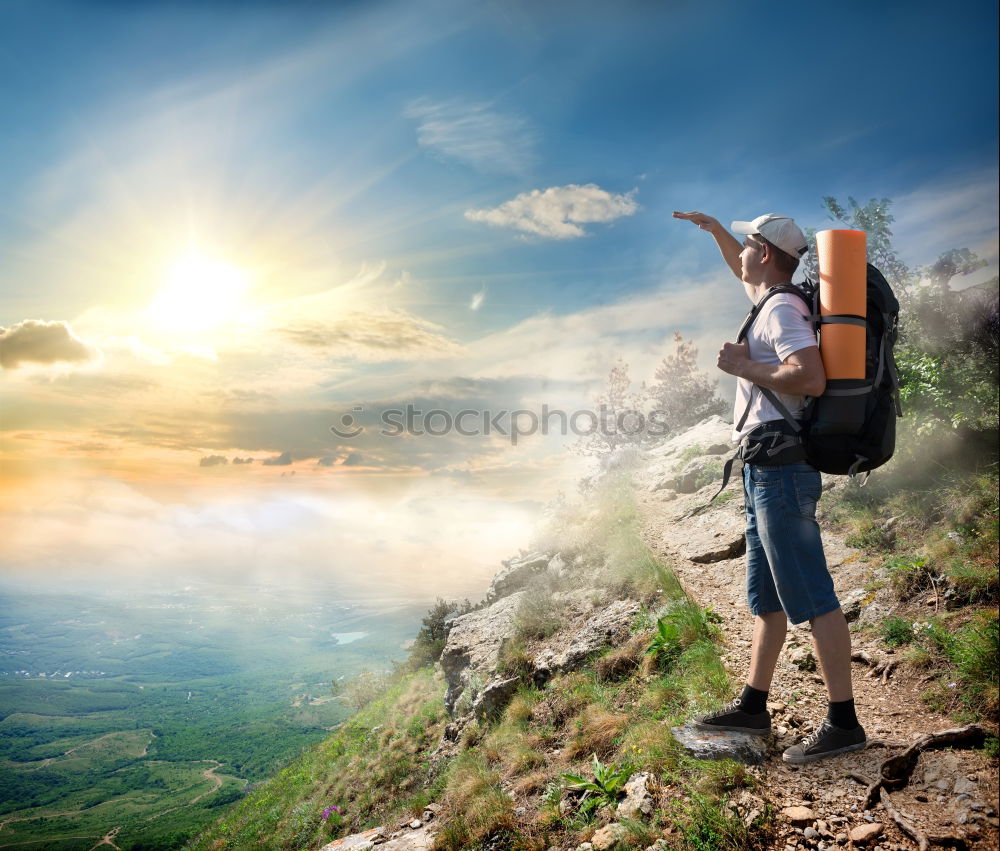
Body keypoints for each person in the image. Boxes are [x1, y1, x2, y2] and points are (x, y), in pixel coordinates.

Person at [672, 210, 866, 764]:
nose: (744, 256)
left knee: (809, 593)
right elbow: (741, 267)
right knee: (768, 598)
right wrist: (714, 230)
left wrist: (742, 366)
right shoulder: (767, 298)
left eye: (750, 244)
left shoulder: (781, 308)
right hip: (763, 465)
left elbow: (809, 377)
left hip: (782, 466)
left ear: (767, 253)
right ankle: (754, 707)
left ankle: (844, 723)